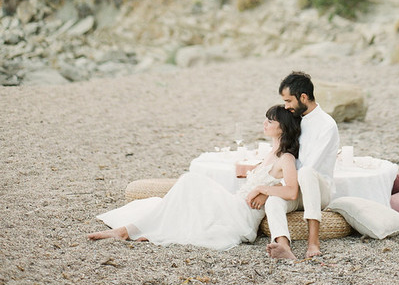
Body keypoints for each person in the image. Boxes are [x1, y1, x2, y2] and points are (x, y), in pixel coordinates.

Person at [87, 105, 301, 251]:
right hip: (236, 203)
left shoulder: (286, 157)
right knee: (188, 191)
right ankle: (135, 229)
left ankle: (128, 231)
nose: (265, 123)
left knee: (192, 181)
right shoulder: (270, 153)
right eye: (266, 119)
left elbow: (291, 191)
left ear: (283, 127)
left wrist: (262, 190)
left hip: (242, 215)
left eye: (270, 121)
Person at [250, 71, 339, 260]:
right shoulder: (298, 118)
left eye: (289, 101)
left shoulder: (326, 125)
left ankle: (313, 242)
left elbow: (310, 167)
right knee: (274, 201)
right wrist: (272, 189)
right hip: (295, 189)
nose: (286, 106)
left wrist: (270, 188)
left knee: (306, 172)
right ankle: (283, 245)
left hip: (318, 189)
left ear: (303, 97)